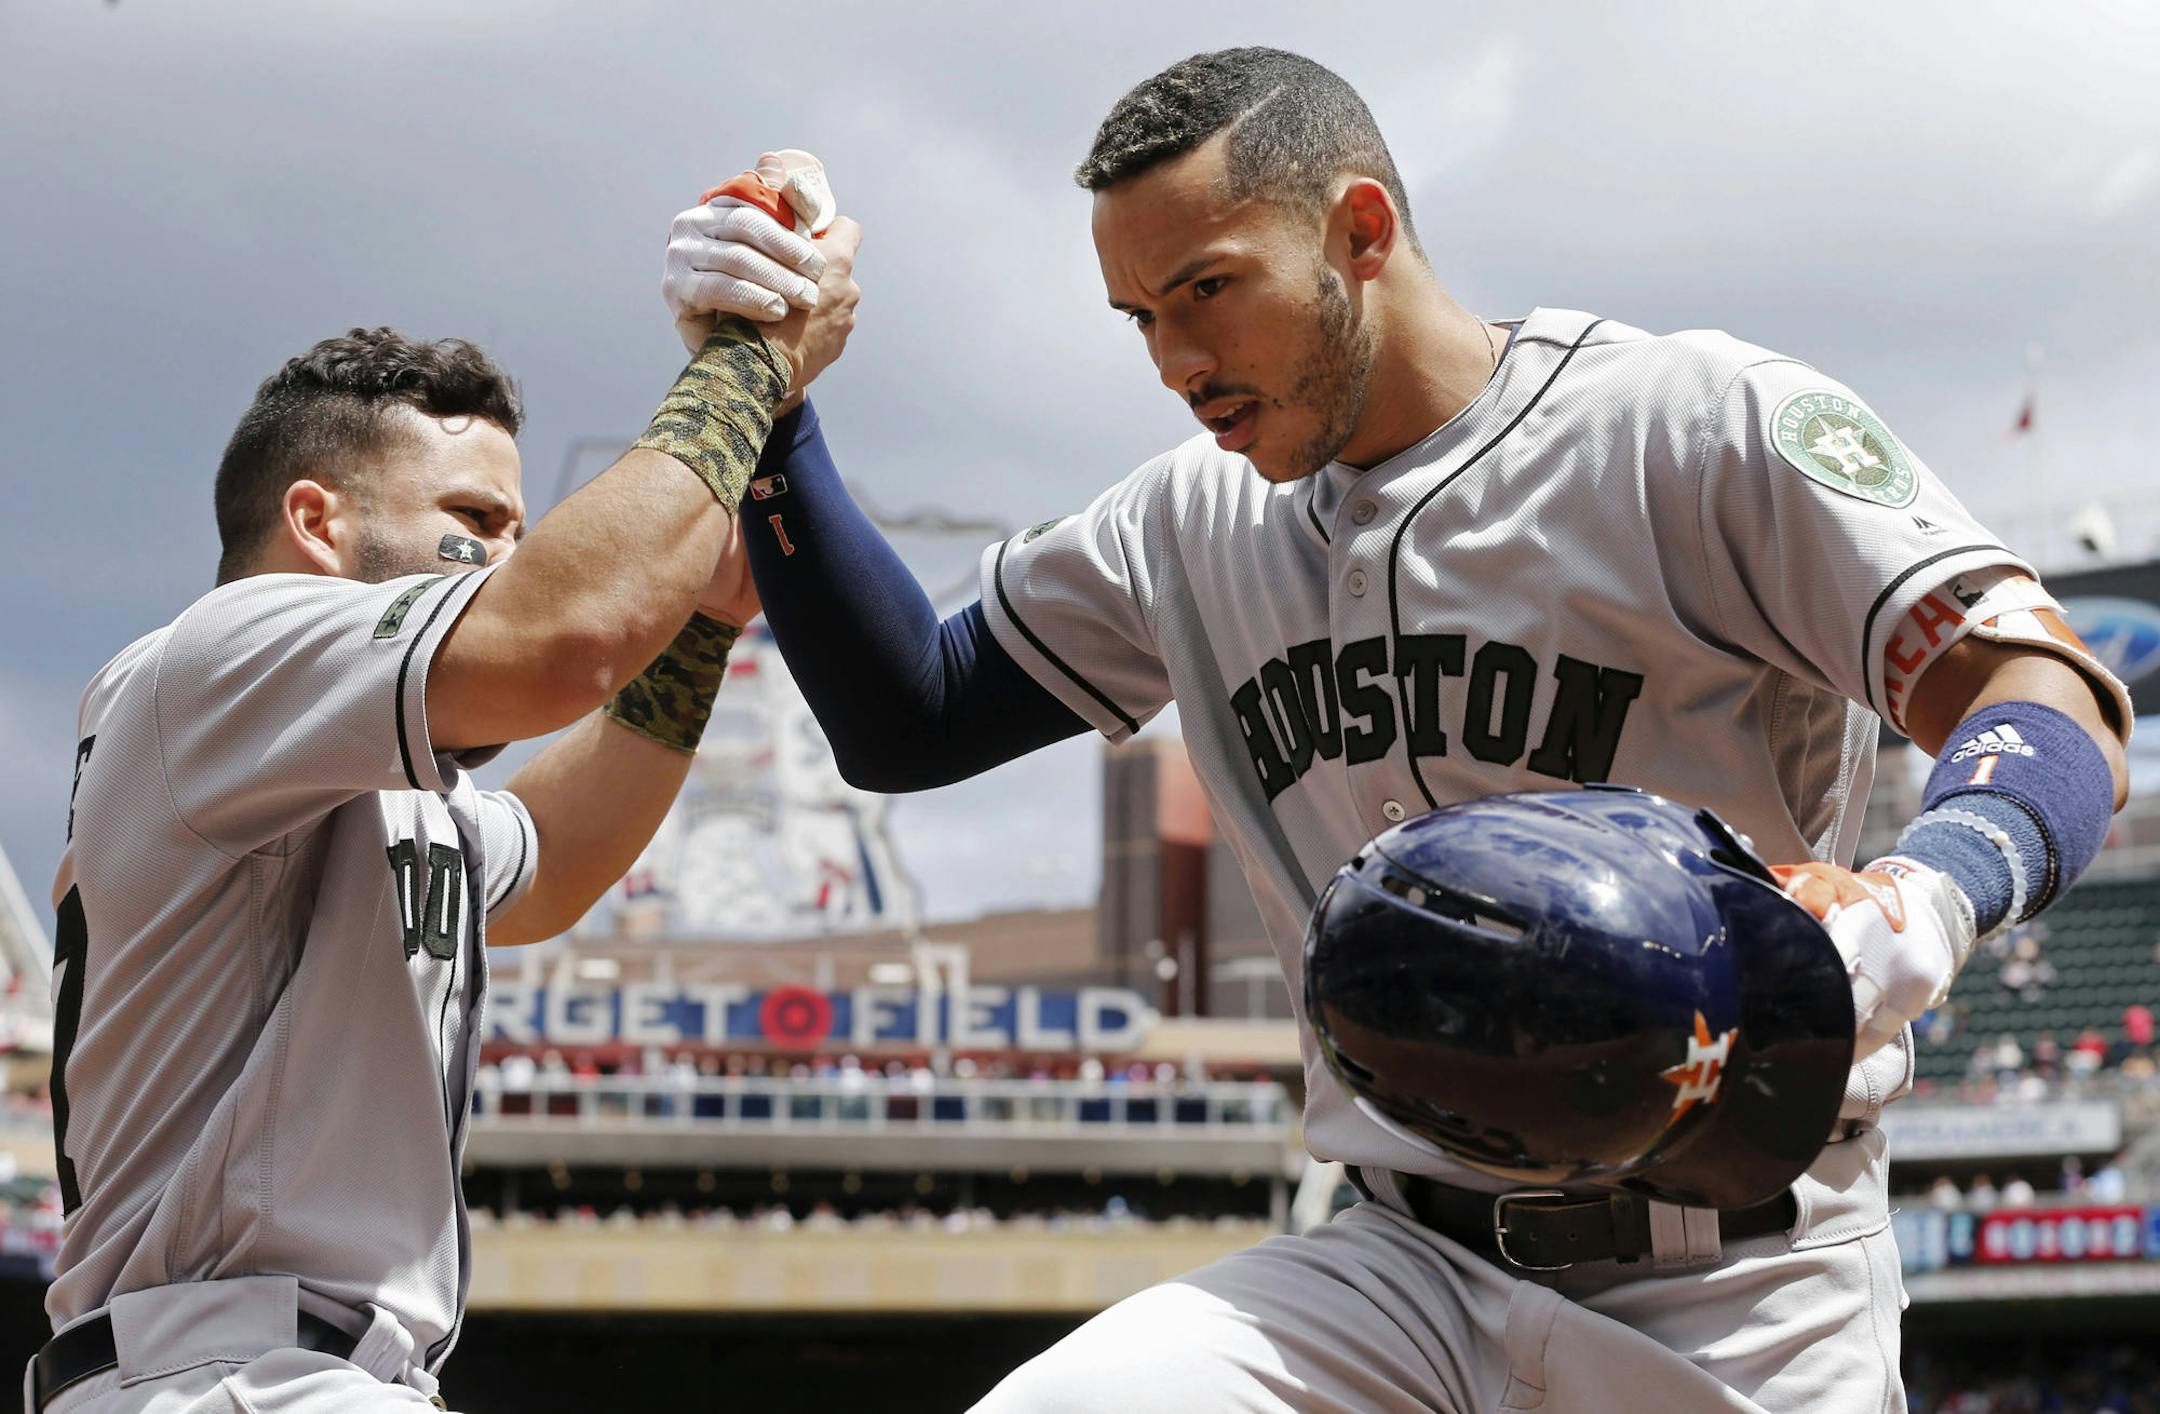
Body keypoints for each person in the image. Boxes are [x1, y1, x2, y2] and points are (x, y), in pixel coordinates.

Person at [675, 49, 2131, 1414]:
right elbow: (906, 715)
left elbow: (2040, 684)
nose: (1173, 361)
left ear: (1360, 229)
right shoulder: (1187, 521)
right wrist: (774, 409)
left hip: (1747, 1270)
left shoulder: (1686, 426)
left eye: (1207, 289)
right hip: (1399, 1269)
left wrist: (1926, 897)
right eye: (1140, 316)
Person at [35, 180, 859, 1412]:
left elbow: (558, 856)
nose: (507, 554)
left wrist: (699, 623)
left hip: (292, 1368)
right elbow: (564, 638)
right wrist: (756, 359)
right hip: (226, 1363)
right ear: (314, 519)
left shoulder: (348, 764)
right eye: (476, 518)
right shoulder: (221, 652)